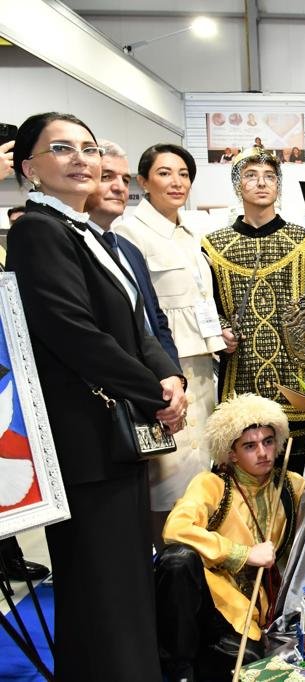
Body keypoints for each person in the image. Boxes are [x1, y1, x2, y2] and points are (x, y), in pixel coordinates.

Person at [8, 111, 185, 681]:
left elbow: (139, 324)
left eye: (87, 148)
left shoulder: (91, 234)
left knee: (123, 584)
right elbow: (73, 332)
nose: (81, 159)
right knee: (101, 591)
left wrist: (170, 377)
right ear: (30, 167)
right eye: (62, 149)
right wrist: (153, 392)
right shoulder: (38, 231)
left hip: (119, 438)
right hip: (85, 440)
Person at [117, 143, 227, 545]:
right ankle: (167, 563)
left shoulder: (191, 231)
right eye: (164, 173)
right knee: (168, 476)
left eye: (183, 174)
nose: (176, 182)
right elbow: (140, 314)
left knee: (202, 468)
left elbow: (199, 298)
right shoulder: (129, 233)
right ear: (143, 181)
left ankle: (199, 562)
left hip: (202, 367)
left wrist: (218, 334)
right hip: (165, 370)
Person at [156, 393, 305, 681]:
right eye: (250, 446)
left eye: (268, 442)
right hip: (208, 597)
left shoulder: (292, 485)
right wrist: (243, 554)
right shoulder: (212, 484)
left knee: (248, 663)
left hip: (250, 613)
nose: (263, 453)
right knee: (177, 559)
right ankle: (178, 669)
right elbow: (175, 529)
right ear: (232, 453)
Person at [202, 147, 305, 469]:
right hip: (240, 377)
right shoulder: (213, 246)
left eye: (269, 176)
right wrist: (220, 330)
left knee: (298, 479)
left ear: (278, 185)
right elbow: (206, 304)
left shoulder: (304, 242)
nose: (261, 183)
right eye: (251, 176)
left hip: (298, 384)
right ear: (238, 185)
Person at [85, 140, 179, 365]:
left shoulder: (129, 250)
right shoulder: (76, 246)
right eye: (106, 177)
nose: (120, 187)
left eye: (125, 180)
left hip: (158, 376)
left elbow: (156, 320)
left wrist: (173, 372)